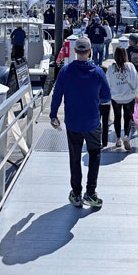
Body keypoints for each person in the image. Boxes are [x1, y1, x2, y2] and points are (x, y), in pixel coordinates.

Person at [50, 38, 111, 208]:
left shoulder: (65, 71)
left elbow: (57, 95)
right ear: (90, 51)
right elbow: (107, 96)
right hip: (92, 122)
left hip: (73, 123)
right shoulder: (98, 72)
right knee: (95, 155)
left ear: (75, 51)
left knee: (75, 158)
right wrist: (94, 100)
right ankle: (90, 193)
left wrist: (53, 115)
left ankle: (76, 194)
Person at [106, 47, 138, 151]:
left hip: (115, 97)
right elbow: (135, 81)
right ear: (125, 55)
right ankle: (126, 136)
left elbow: (107, 82)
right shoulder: (130, 66)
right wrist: (136, 94)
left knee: (117, 117)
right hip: (128, 96)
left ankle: (118, 139)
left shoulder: (111, 68)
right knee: (127, 117)